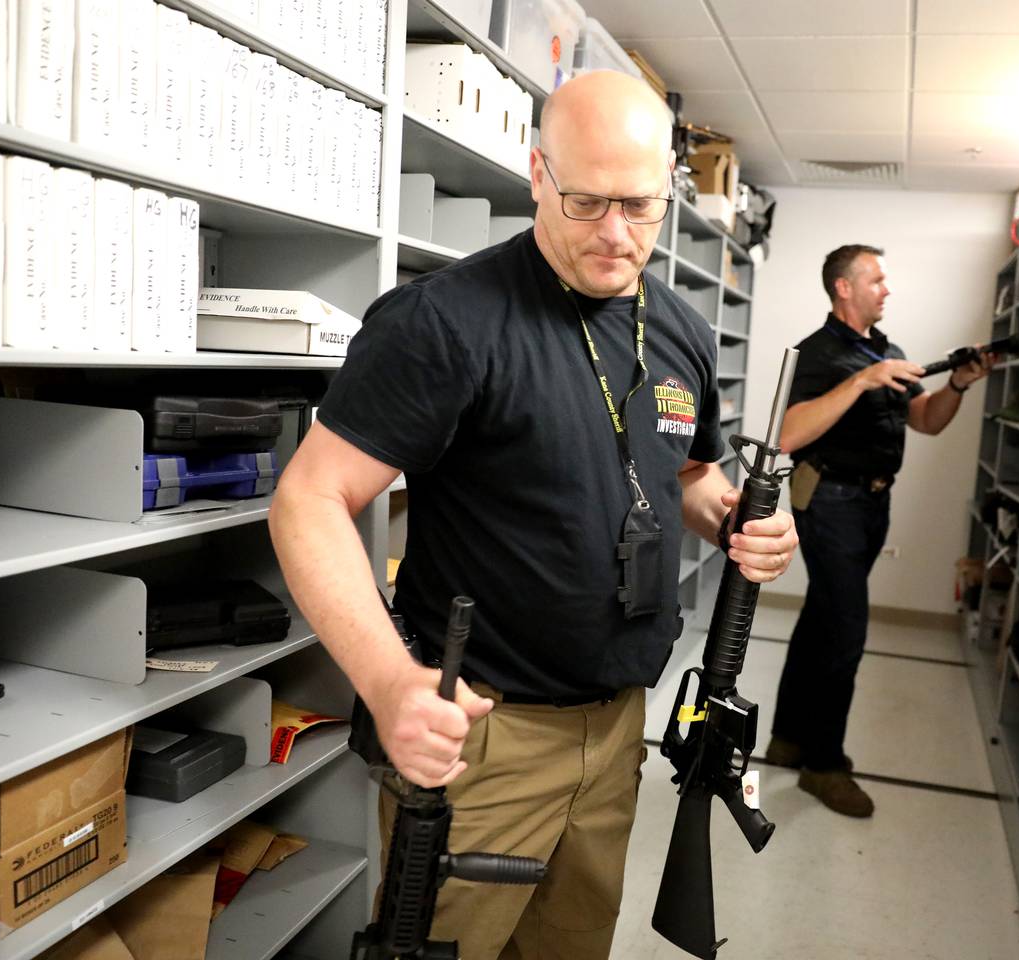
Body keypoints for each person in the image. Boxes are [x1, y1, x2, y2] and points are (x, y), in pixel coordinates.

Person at [269, 70, 798, 960]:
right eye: (587, 202)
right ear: (538, 173)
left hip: (620, 720)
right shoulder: (444, 323)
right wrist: (390, 681)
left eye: (641, 206)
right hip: (485, 738)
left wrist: (741, 519)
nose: (617, 236)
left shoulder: (679, 330)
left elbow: (689, 474)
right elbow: (309, 500)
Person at [764, 244, 992, 818]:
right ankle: (823, 765)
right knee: (845, 631)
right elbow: (787, 435)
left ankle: (788, 738)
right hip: (830, 503)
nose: (886, 289)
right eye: (876, 280)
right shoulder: (817, 354)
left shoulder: (890, 351)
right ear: (844, 287)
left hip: (872, 504)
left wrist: (958, 386)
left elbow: (925, 421)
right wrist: (863, 379)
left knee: (822, 617)